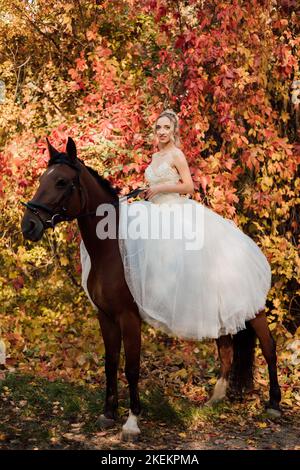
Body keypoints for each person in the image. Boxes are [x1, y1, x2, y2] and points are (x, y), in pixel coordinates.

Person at [82, 109, 272, 340]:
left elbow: (189, 187)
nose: (162, 132)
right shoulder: (154, 157)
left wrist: (160, 189)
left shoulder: (176, 155)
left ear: (173, 131)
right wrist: (145, 192)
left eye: (166, 128)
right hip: (155, 209)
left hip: (176, 210)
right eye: (158, 128)